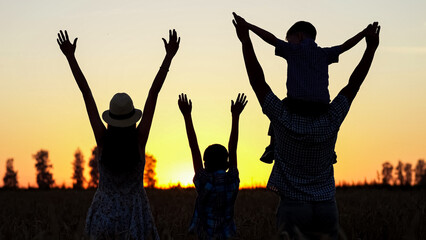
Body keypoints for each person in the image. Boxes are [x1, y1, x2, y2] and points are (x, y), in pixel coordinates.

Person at [233, 12, 380, 239]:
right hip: (326, 208)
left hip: (293, 208)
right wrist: (370, 47)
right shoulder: (331, 120)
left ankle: (271, 149)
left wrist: (246, 39)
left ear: (299, 35)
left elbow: (258, 81)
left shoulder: (282, 118)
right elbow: (354, 83)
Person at [57, 29, 180, 239]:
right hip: (134, 218)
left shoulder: (103, 141)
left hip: (103, 217)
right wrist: (168, 57)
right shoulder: (139, 141)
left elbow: (86, 93)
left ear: (111, 119)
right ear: (132, 119)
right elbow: (153, 93)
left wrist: (71, 57)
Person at [237, 15, 370, 164]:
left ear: (299, 35)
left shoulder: (292, 50)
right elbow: (346, 46)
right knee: (331, 122)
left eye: (289, 39)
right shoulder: (325, 53)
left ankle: (272, 146)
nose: (289, 43)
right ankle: (330, 150)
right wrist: (364, 33)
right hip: (321, 108)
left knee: (278, 110)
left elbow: (270, 39)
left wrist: (249, 27)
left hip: (296, 106)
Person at [178, 93, 247, 239]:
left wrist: (187, 115)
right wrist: (235, 116)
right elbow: (233, 148)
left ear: (206, 164)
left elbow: (193, 147)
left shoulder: (204, 181)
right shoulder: (232, 179)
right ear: (227, 162)